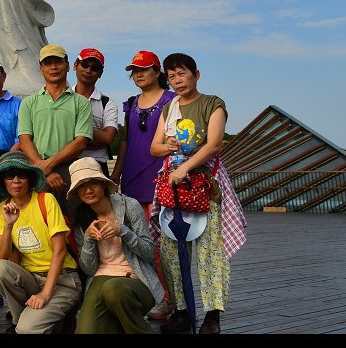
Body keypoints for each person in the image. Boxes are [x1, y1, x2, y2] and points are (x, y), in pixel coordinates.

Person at [151, 53, 246, 335]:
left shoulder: (212, 104)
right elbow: (154, 148)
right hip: (173, 188)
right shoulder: (169, 108)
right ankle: (182, 311)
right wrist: (169, 148)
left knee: (210, 252)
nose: (177, 81)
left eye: (182, 74)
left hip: (204, 185)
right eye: (171, 76)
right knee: (171, 251)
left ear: (196, 74)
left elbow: (214, 144)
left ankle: (212, 315)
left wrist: (185, 168)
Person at [110, 49, 176, 321]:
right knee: (139, 242)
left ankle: (170, 299)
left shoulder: (173, 100)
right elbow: (125, 143)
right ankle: (150, 295)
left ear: (157, 71)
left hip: (161, 177)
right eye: (134, 70)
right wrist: (117, 176)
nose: (138, 74)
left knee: (164, 246)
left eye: (144, 69)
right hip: (134, 179)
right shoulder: (131, 103)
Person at [0, 150, 82, 334]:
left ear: (30, 178)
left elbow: (60, 251)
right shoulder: (2, 208)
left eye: (21, 174)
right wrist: (8, 225)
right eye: (9, 175)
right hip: (31, 279)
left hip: (62, 280)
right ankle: (21, 319)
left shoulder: (46, 200)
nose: (15, 180)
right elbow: (3, 256)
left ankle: (28, 322)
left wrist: (45, 294)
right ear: (2, 181)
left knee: (27, 330)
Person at [67, 157, 160, 334]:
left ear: (103, 184)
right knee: (85, 331)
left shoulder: (129, 206)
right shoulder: (81, 220)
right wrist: (88, 240)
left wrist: (123, 231)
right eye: (81, 186)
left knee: (114, 290)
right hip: (101, 278)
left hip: (136, 278)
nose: (88, 190)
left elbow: (149, 253)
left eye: (93, 183)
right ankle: (117, 323)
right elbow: (88, 269)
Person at [17, 44, 93, 212]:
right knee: (39, 221)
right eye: (47, 63)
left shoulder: (80, 103)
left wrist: (48, 165)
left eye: (57, 62)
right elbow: (24, 139)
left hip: (69, 168)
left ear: (67, 66)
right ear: (41, 68)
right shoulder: (29, 103)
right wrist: (44, 170)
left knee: (72, 222)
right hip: (36, 166)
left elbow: (81, 142)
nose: (53, 67)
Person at [72, 48, 119, 177]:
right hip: (68, 163)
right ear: (75, 65)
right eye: (85, 65)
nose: (88, 70)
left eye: (95, 68)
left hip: (97, 165)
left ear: (101, 73)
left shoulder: (108, 103)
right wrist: (93, 137)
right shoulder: (62, 98)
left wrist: (74, 131)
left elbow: (108, 138)